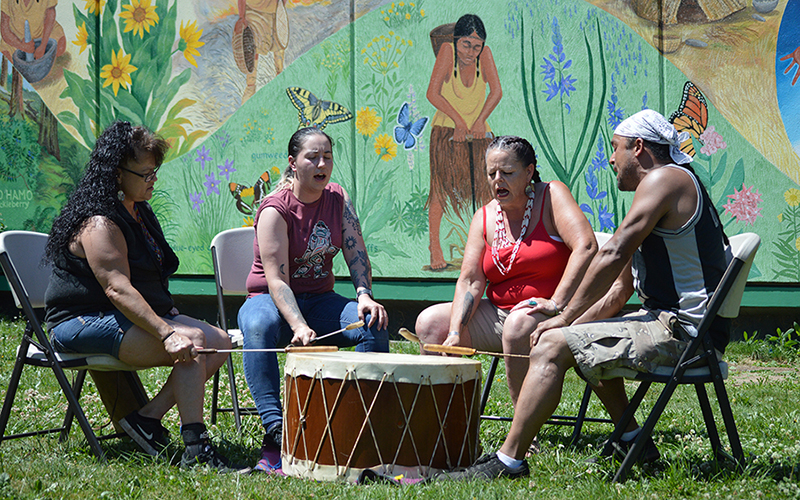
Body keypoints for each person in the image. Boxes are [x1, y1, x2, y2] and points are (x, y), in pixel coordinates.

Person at [441, 109, 730, 480]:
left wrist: (561, 316)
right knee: (578, 337)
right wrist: (577, 323)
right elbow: (623, 285)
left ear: (638, 148)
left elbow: (612, 252)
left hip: (686, 333)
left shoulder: (665, 180)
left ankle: (508, 461)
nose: (612, 159)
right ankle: (631, 439)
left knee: (552, 346)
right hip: (675, 323)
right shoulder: (663, 186)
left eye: (616, 149)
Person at [44, 122, 237, 470]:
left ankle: (145, 420)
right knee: (191, 344)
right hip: (79, 321)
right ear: (118, 174)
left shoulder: (139, 211)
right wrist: (167, 331)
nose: (154, 180)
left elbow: (146, 277)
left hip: (115, 315)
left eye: (155, 172)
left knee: (219, 341)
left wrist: (168, 312)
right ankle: (196, 450)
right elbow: (117, 288)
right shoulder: (100, 223)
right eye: (146, 173)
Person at [238, 126, 390, 474]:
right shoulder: (275, 208)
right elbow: (276, 280)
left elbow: (356, 253)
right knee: (259, 326)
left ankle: (359, 424)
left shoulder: (338, 199)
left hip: (321, 299)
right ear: (293, 163)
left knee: (372, 323)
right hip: (269, 299)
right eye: (312, 157)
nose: (322, 164)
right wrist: (299, 325)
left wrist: (364, 296)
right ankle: (276, 432)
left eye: (328, 157)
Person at [415, 136, 597, 416]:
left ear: (529, 172)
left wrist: (556, 302)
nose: (498, 180)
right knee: (430, 324)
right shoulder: (484, 216)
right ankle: (447, 421)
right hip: (501, 314)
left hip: (554, 313)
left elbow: (585, 246)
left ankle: (523, 428)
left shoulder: (551, 195)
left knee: (516, 325)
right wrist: (454, 332)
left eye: (508, 173)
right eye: (491, 174)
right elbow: (471, 280)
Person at [426, 13, 502, 271]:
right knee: (439, 189)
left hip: (479, 131)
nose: (471, 51)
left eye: (477, 45)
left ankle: (489, 246)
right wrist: (458, 121)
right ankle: (434, 247)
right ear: (456, 41)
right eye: (466, 44)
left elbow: (496, 91)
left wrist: (480, 120)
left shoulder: (485, 55)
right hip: (446, 130)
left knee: (485, 190)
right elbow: (432, 93)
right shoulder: (447, 52)